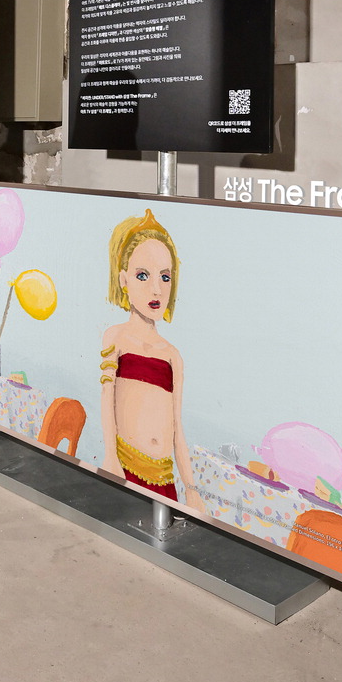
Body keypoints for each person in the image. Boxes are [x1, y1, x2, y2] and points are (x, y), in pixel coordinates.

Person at [100, 210, 206, 514]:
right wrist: (110, 457)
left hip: (165, 479)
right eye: (143, 276)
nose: (156, 289)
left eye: (165, 277)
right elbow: (107, 401)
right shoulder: (115, 337)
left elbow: (176, 427)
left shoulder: (173, 355)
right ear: (124, 279)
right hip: (124, 467)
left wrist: (192, 490)